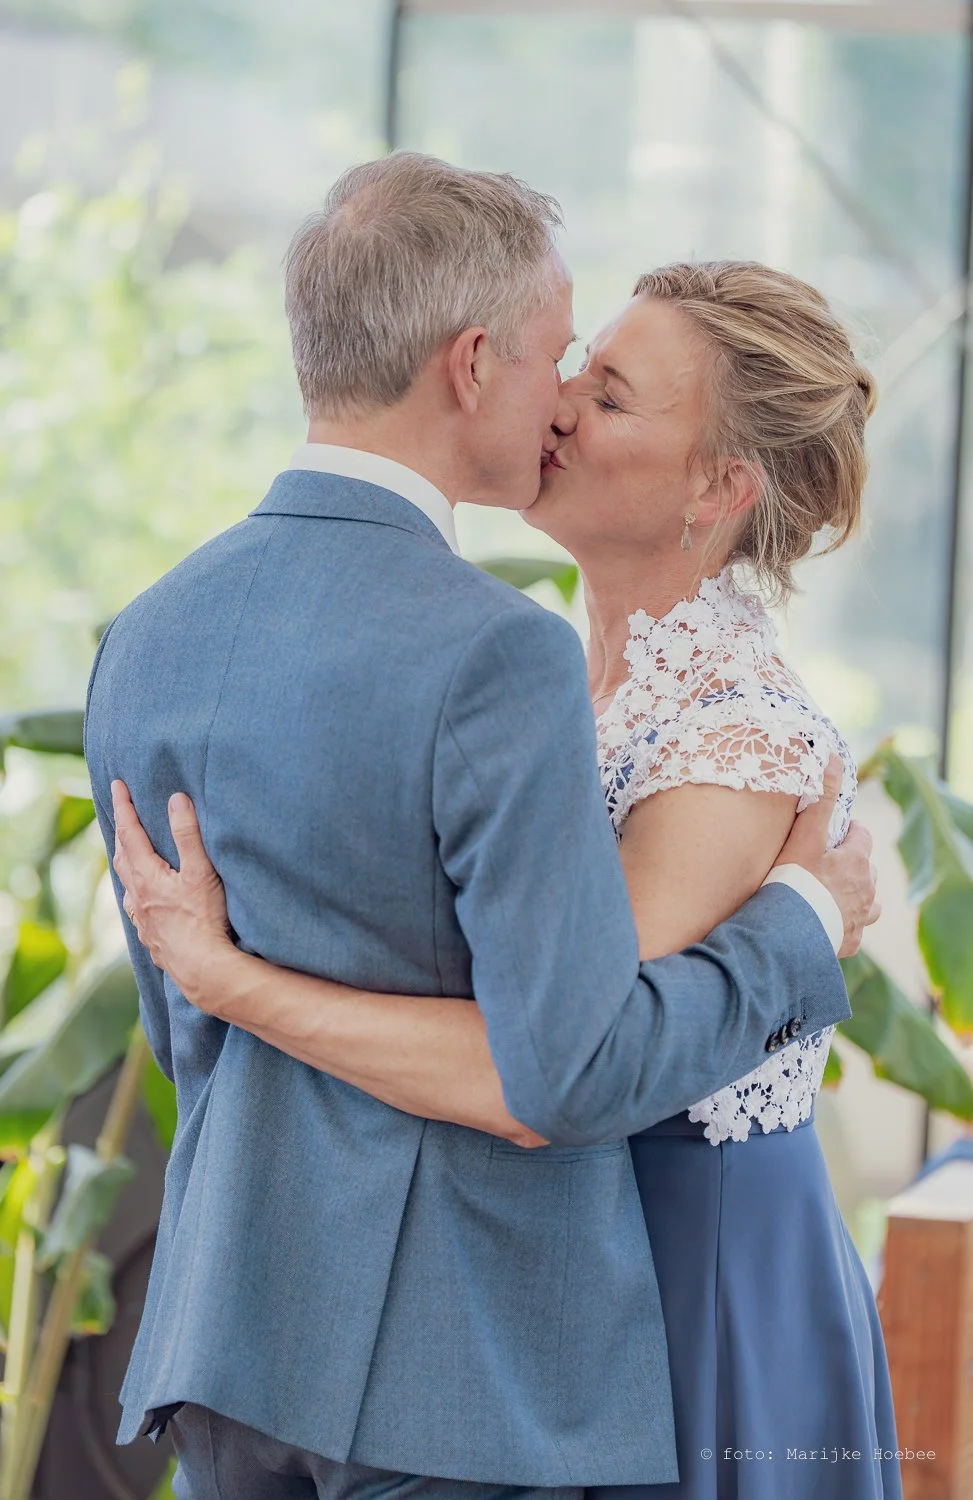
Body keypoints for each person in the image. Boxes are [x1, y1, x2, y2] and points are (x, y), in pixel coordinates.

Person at [87, 153, 878, 1500]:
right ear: (467, 362)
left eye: (603, 385)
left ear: (719, 489)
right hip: (470, 1349)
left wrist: (224, 980)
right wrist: (806, 927)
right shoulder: (510, 661)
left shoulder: (148, 632)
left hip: (666, 1285)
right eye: (568, 364)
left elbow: (520, 1066)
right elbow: (560, 1071)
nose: (560, 402)